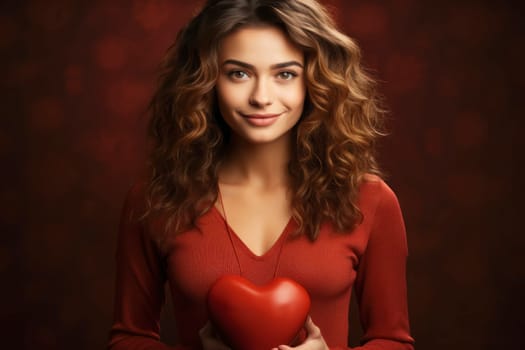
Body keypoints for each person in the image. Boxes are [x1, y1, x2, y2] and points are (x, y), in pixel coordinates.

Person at [107, 0, 415, 349]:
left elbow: (393, 341)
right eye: (239, 73)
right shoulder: (156, 198)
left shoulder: (371, 201)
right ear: (206, 81)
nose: (261, 97)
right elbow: (128, 338)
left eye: (285, 74)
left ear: (315, 80)